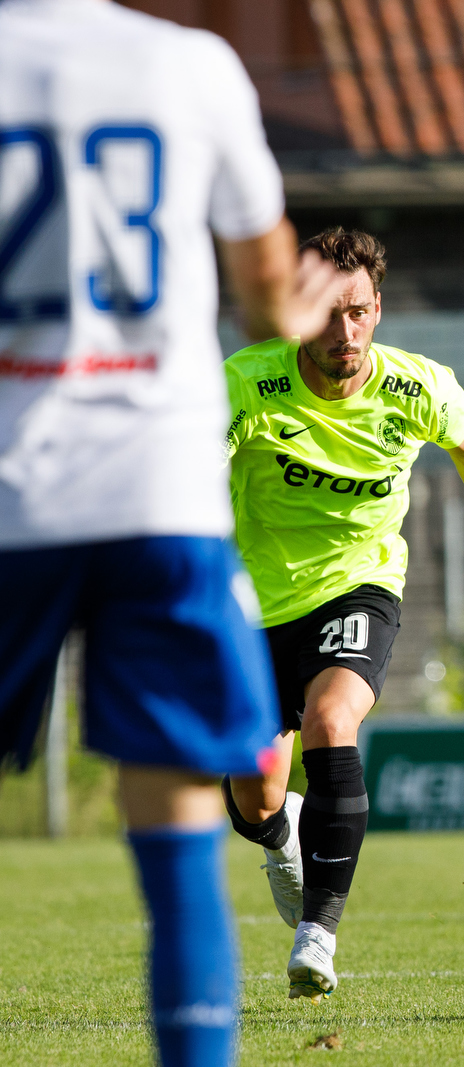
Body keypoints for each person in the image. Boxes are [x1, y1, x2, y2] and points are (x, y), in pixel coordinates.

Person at [0, 1, 344, 1063]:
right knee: (176, 807)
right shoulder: (191, 66)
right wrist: (305, 301)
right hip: (161, 496)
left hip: (14, 492)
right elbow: (264, 303)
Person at [220, 226, 464, 1002]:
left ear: (378, 309)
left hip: (359, 586)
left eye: (358, 312)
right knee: (252, 798)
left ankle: (318, 934)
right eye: (329, 314)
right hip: (255, 603)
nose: (345, 332)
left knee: (333, 720)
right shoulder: (247, 383)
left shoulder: (415, 386)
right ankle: (282, 832)